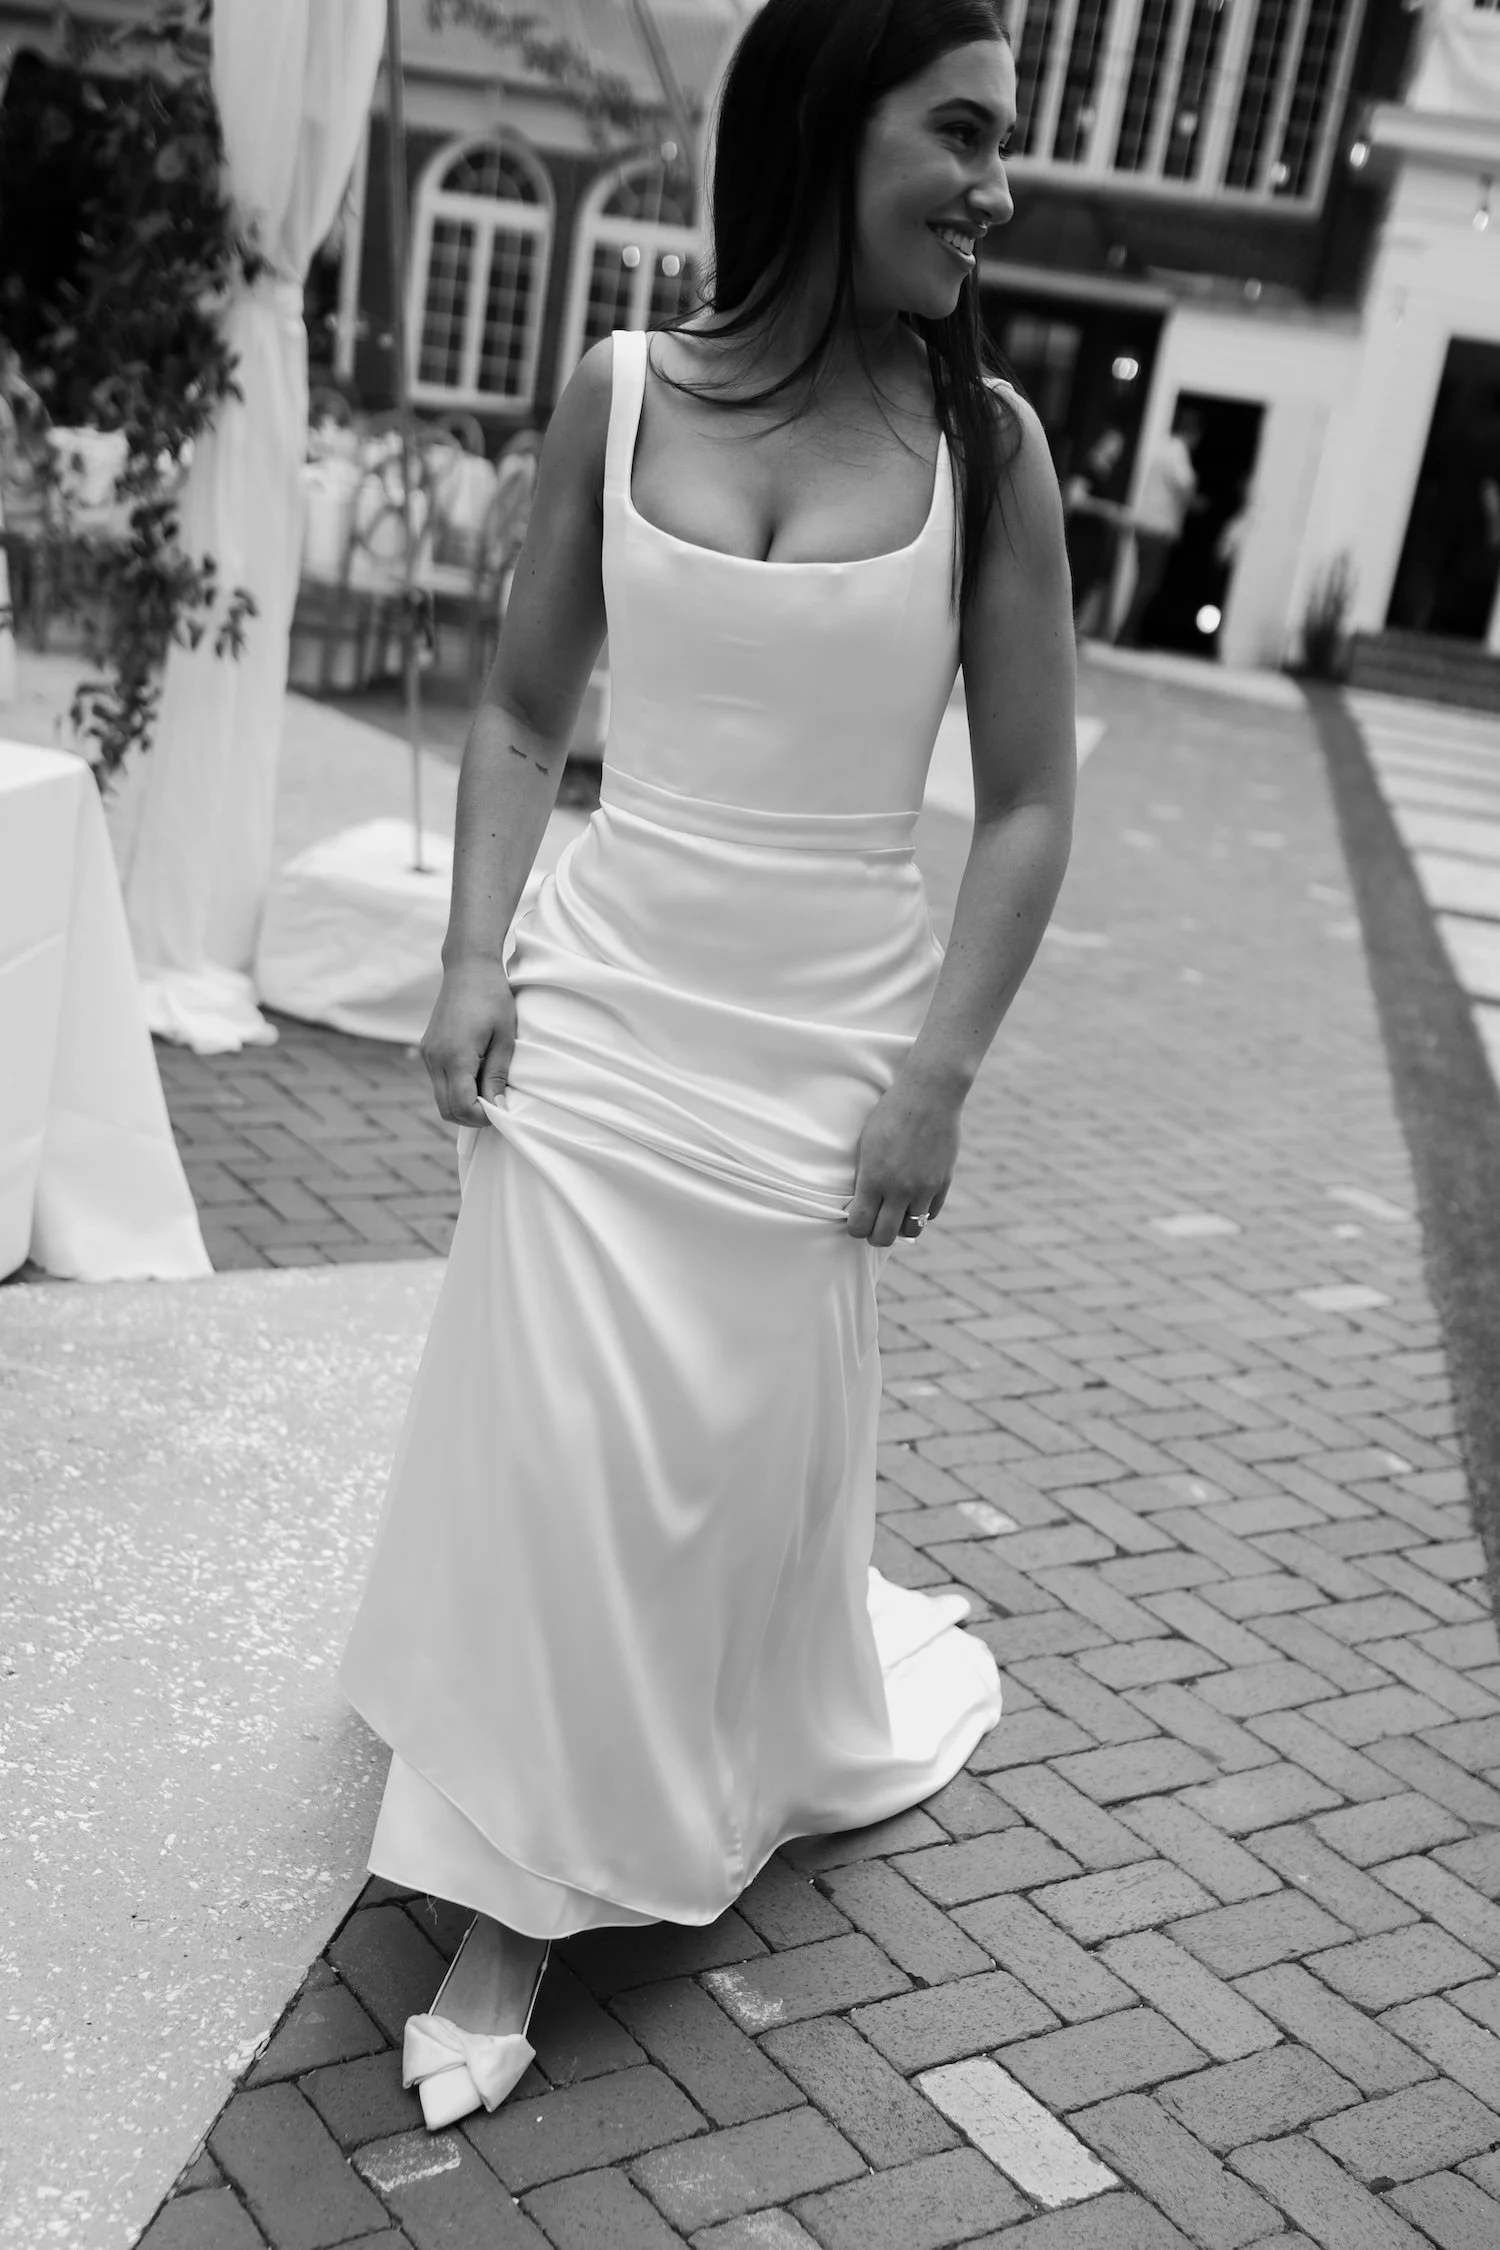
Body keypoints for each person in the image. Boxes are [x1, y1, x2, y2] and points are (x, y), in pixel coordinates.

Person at [338, 0, 1076, 2133]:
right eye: (966, 132)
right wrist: (473, 960)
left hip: (817, 1056)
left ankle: (624, 1782)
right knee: (562, 1455)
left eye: (1009, 141)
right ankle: (513, 1904)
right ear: (838, 128)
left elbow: (1025, 805)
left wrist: (941, 1075)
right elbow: (515, 705)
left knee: (699, 1482)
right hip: (605, 1009)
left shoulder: (989, 453)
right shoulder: (615, 390)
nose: (999, 187)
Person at [1117, 406, 1201, 647]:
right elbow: (1185, 484)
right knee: (1147, 585)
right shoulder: (1178, 452)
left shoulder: (1163, 448)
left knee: (1142, 583)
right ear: (1193, 433)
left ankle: (1126, 634)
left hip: (1145, 524)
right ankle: (1125, 635)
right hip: (1157, 528)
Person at [1062, 425, 1128, 639]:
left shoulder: (1107, 472)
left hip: (1094, 540)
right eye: (1114, 443)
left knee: (1085, 584)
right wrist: (1106, 510)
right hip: (1081, 537)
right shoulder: (1087, 468)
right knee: (1074, 581)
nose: (1116, 450)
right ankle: (1065, 630)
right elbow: (1075, 500)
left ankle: (1073, 630)